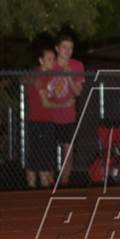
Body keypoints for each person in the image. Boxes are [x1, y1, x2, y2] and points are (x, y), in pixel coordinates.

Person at [26, 48, 74, 188]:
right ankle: (35, 191)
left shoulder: (47, 76)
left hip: (44, 122)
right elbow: (45, 102)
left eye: (53, 58)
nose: (53, 61)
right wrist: (64, 104)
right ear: (41, 60)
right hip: (39, 122)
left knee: (40, 158)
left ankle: (37, 190)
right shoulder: (40, 75)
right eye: (49, 59)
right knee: (39, 159)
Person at [49, 34, 85, 185]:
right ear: (57, 49)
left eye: (70, 48)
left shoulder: (76, 65)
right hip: (49, 116)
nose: (67, 51)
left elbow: (78, 92)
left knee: (68, 151)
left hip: (68, 116)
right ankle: (48, 184)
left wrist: (69, 75)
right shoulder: (49, 64)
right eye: (64, 47)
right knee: (48, 151)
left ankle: (64, 183)